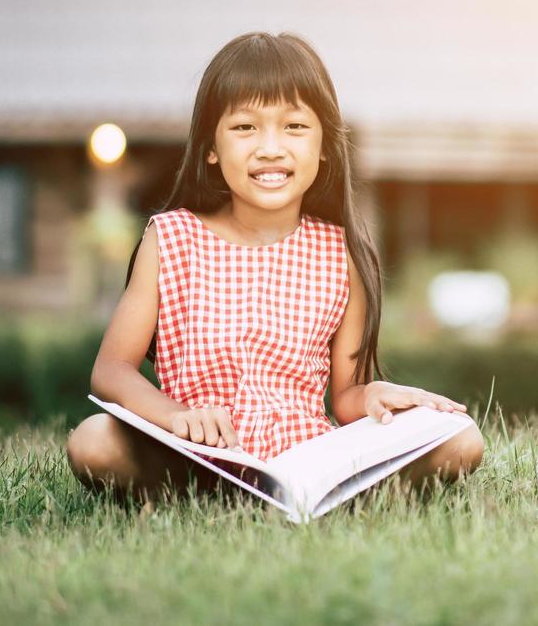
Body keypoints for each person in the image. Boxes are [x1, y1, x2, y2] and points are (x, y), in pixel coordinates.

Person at [66, 31, 485, 504]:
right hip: (194, 455)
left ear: (325, 144)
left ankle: (306, 497)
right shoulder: (170, 238)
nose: (270, 148)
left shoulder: (343, 252)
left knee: (460, 439)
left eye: (294, 127)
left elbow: (346, 396)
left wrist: (372, 395)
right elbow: (112, 368)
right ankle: (227, 495)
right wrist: (175, 416)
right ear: (210, 147)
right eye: (245, 127)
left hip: (309, 457)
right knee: (93, 440)